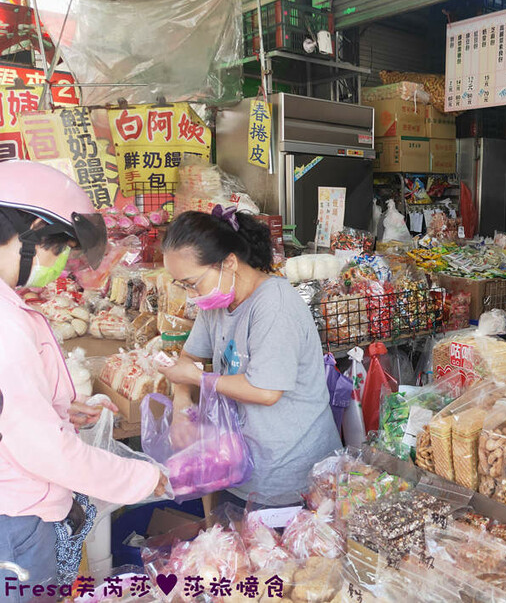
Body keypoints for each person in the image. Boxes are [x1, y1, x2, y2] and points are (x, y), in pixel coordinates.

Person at [0, 161, 167, 599]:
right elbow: (44, 452)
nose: (57, 266)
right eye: (57, 250)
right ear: (30, 232)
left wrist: (54, 409)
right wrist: (144, 479)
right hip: (15, 517)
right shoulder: (5, 325)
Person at [159, 206, 341, 507]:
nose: (191, 296)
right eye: (182, 286)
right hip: (236, 464)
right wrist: (181, 404)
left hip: (290, 477)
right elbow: (188, 359)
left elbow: (266, 390)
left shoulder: (274, 306)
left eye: (192, 283)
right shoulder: (215, 302)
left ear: (229, 262)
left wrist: (200, 379)